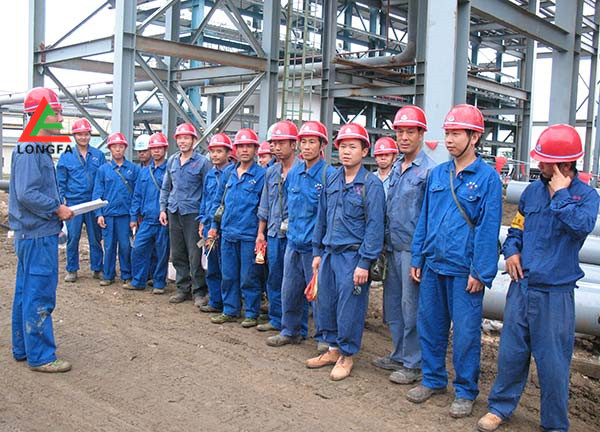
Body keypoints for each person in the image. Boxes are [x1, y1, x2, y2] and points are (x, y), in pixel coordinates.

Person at [477, 124, 600, 432]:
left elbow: (580, 227)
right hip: (522, 288)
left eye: (544, 160)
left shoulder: (585, 197)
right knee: (511, 354)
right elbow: (516, 228)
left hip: (555, 294)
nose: (539, 164)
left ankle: (555, 424)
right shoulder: (532, 192)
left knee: (553, 363)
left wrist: (561, 195)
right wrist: (512, 251)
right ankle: (500, 407)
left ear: (563, 164)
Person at [408, 104, 502, 418]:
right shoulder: (438, 174)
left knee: (465, 335)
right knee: (430, 326)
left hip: (464, 271)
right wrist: (418, 255)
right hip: (434, 265)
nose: (449, 140)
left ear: (474, 137)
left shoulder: (488, 179)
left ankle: (465, 391)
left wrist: (481, 271)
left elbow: (488, 228)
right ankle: (433, 379)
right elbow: (424, 218)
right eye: (447, 133)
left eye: (456, 134)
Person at [308, 123, 385, 381]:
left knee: (349, 307)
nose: (346, 151)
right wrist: (317, 252)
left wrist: (364, 262)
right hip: (330, 253)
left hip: (353, 256)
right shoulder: (332, 179)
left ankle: (346, 355)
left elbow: (375, 226)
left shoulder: (371, 185)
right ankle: (332, 349)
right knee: (326, 302)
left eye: (353, 147)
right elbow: (322, 217)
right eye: (342, 146)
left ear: (364, 151)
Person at [10, 87, 75, 372]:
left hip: (32, 233)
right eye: (55, 112)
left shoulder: (35, 145)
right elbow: (27, 193)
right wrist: (57, 209)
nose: (60, 118)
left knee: (25, 292)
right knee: (39, 294)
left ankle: (23, 348)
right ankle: (41, 356)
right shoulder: (30, 147)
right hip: (37, 234)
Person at [372, 106, 436, 385]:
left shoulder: (429, 171)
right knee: (394, 306)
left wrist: (420, 256)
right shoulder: (397, 168)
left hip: (412, 250)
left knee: (412, 308)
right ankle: (398, 354)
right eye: (400, 132)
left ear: (421, 134)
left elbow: (429, 217)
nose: (404, 137)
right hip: (392, 247)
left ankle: (414, 363)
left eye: (411, 131)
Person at [266, 120, 335, 348]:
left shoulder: (329, 175)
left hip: (315, 248)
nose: (306, 147)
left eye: (312, 142)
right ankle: (290, 331)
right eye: (303, 142)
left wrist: (321, 249)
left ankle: (324, 338)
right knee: (290, 290)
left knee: (319, 294)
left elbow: (330, 216)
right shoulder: (294, 174)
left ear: (322, 145)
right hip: (293, 242)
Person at [209, 128, 266, 327]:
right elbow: (218, 202)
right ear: (235, 149)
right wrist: (214, 226)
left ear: (255, 149)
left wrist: (260, 234)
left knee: (249, 276)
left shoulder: (262, 175)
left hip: (249, 234)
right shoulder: (228, 173)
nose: (244, 150)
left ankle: (251, 313)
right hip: (228, 232)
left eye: (248, 146)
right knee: (228, 275)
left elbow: (264, 207)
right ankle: (230, 310)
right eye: (241, 146)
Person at [256, 121, 302, 332]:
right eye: (273, 143)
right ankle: (276, 319)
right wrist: (261, 233)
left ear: (293, 144)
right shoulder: (271, 172)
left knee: (294, 281)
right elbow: (265, 204)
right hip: (274, 233)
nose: (276, 147)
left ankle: (295, 325)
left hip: (295, 236)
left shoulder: (303, 170)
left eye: (281, 143)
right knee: (274, 277)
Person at [159, 122, 211, 306]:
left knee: (194, 254)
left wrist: (204, 218)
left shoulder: (203, 162)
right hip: (174, 211)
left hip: (193, 214)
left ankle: (199, 291)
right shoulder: (172, 161)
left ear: (194, 140)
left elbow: (208, 191)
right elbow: (166, 187)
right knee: (178, 252)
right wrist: (163, 209)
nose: (183, 141)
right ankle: (182, 288)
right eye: (180, 138)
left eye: (186, 138)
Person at [56, 118, 106, 283]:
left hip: (93, 203)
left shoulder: (98, 155)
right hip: (74, 203)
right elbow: (60, 182)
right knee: (73, 237)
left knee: (95, 237)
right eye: (80, 134)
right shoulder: (66, 156)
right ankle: (72, 269)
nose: (83, 137)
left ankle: (97, 268)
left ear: (90, 135)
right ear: (74, 136)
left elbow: (103, 179)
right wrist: (61, 203)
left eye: (86, 134)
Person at [93, 132, 139, 286]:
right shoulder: (103, 170)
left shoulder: (133, 169)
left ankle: (126, 274)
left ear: (125, 148)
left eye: (120, 146)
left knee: (125, 246)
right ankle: (108, 275)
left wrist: (134, 217)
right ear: (109, 149)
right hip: (108, 215)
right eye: (114, 147)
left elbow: (137, 195)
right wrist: (99, 214)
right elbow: (97, 193)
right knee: (109, 246)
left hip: (125, 215)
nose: (118, 149)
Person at [127, 132, 170, 293]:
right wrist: (133, 217)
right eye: (153, 148)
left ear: (165, 149)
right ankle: (138, 281)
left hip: (163, 220)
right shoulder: (144, 172)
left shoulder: (170, 171)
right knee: (138, 249)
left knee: (162, 253)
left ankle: (159, 283)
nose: (156, 151)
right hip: (146, 220)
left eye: (159, 148)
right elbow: (137, 196)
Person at [197, 133, 233, 313]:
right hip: (209, 226)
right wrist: (202, 221)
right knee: (211, 266)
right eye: (212, 151)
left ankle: (229, 304)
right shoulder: (210, 175)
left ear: (228, 153)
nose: (215, 155)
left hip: (225, 227)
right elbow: (205, 199)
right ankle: (215, 301)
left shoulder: (232, 173)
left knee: (226, 268)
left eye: (219, 151)